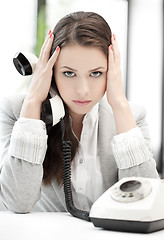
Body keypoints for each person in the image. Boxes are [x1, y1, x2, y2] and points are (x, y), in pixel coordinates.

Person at [0, 11, 159, 213]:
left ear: (111, 71)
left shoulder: (132, 117)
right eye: (68, 73)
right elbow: (17, 202)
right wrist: (33, 101)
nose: (83, 90)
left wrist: (119, 103)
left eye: (96, 73)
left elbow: (147, 203)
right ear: (49, 71)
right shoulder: (17, 112)